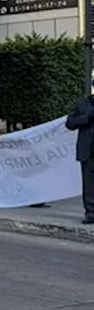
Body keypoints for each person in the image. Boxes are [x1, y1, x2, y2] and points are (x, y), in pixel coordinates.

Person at [64, 93, 94, 224]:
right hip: (87, 151)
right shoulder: (82, 104)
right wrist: (87, 118)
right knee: (89, 186)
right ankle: (91, 214)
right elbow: (70, 123)